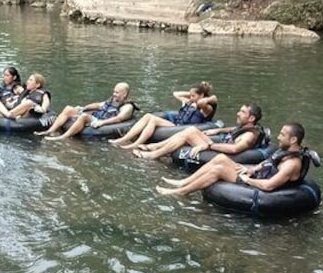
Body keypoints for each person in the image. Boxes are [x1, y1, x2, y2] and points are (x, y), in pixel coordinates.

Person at [156, 122, 309, 196]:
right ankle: (182, 182)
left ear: (294, 139)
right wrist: (251, 169)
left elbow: (269, 186)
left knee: (218, 169)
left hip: (257, 185)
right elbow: (267, 163)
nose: (279, 137)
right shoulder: (284, 151)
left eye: (283, 135)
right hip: (254, 175)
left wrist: (248, 180)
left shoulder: (292, 163)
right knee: (220, 159)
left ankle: (181, 192)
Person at [133, 103, 266, 160]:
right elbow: (233, 130)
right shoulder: (247, 127)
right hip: (217, 144)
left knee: (189, 132)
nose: (238, 113)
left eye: (242, 112)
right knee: (191, 130)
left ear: (252, 118)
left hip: (219, 151)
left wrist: (209, 145)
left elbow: (234, 150)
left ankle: (153, 154)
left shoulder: (249, 136)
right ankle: (153, 147)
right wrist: (217, 130)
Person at [109, 82, 218, 149]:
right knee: (148, 116)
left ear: (202, 96)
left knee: (154, 121)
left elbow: (201, 103)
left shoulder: (206, 108)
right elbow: (176, 94)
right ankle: (124, 139)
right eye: (190, 95)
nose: (190, 97)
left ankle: (135, 144)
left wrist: (210, 98)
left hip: (183, 129)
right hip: (176, 125)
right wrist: (191, 94)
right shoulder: (189, 101)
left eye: (193, 95)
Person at [36, 82, 136, 140]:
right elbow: (98, 105)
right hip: (96, 117)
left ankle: (63, 137)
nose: (114, 94)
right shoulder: (112, 100)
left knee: (84, 117)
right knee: (69, 108)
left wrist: (101, 122)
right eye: (114, 91)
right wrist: (83, 108)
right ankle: (49, 131)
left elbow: (119, 119)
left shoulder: (127, 107)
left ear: (124, 94)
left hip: (103, 123)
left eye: (117, 92)